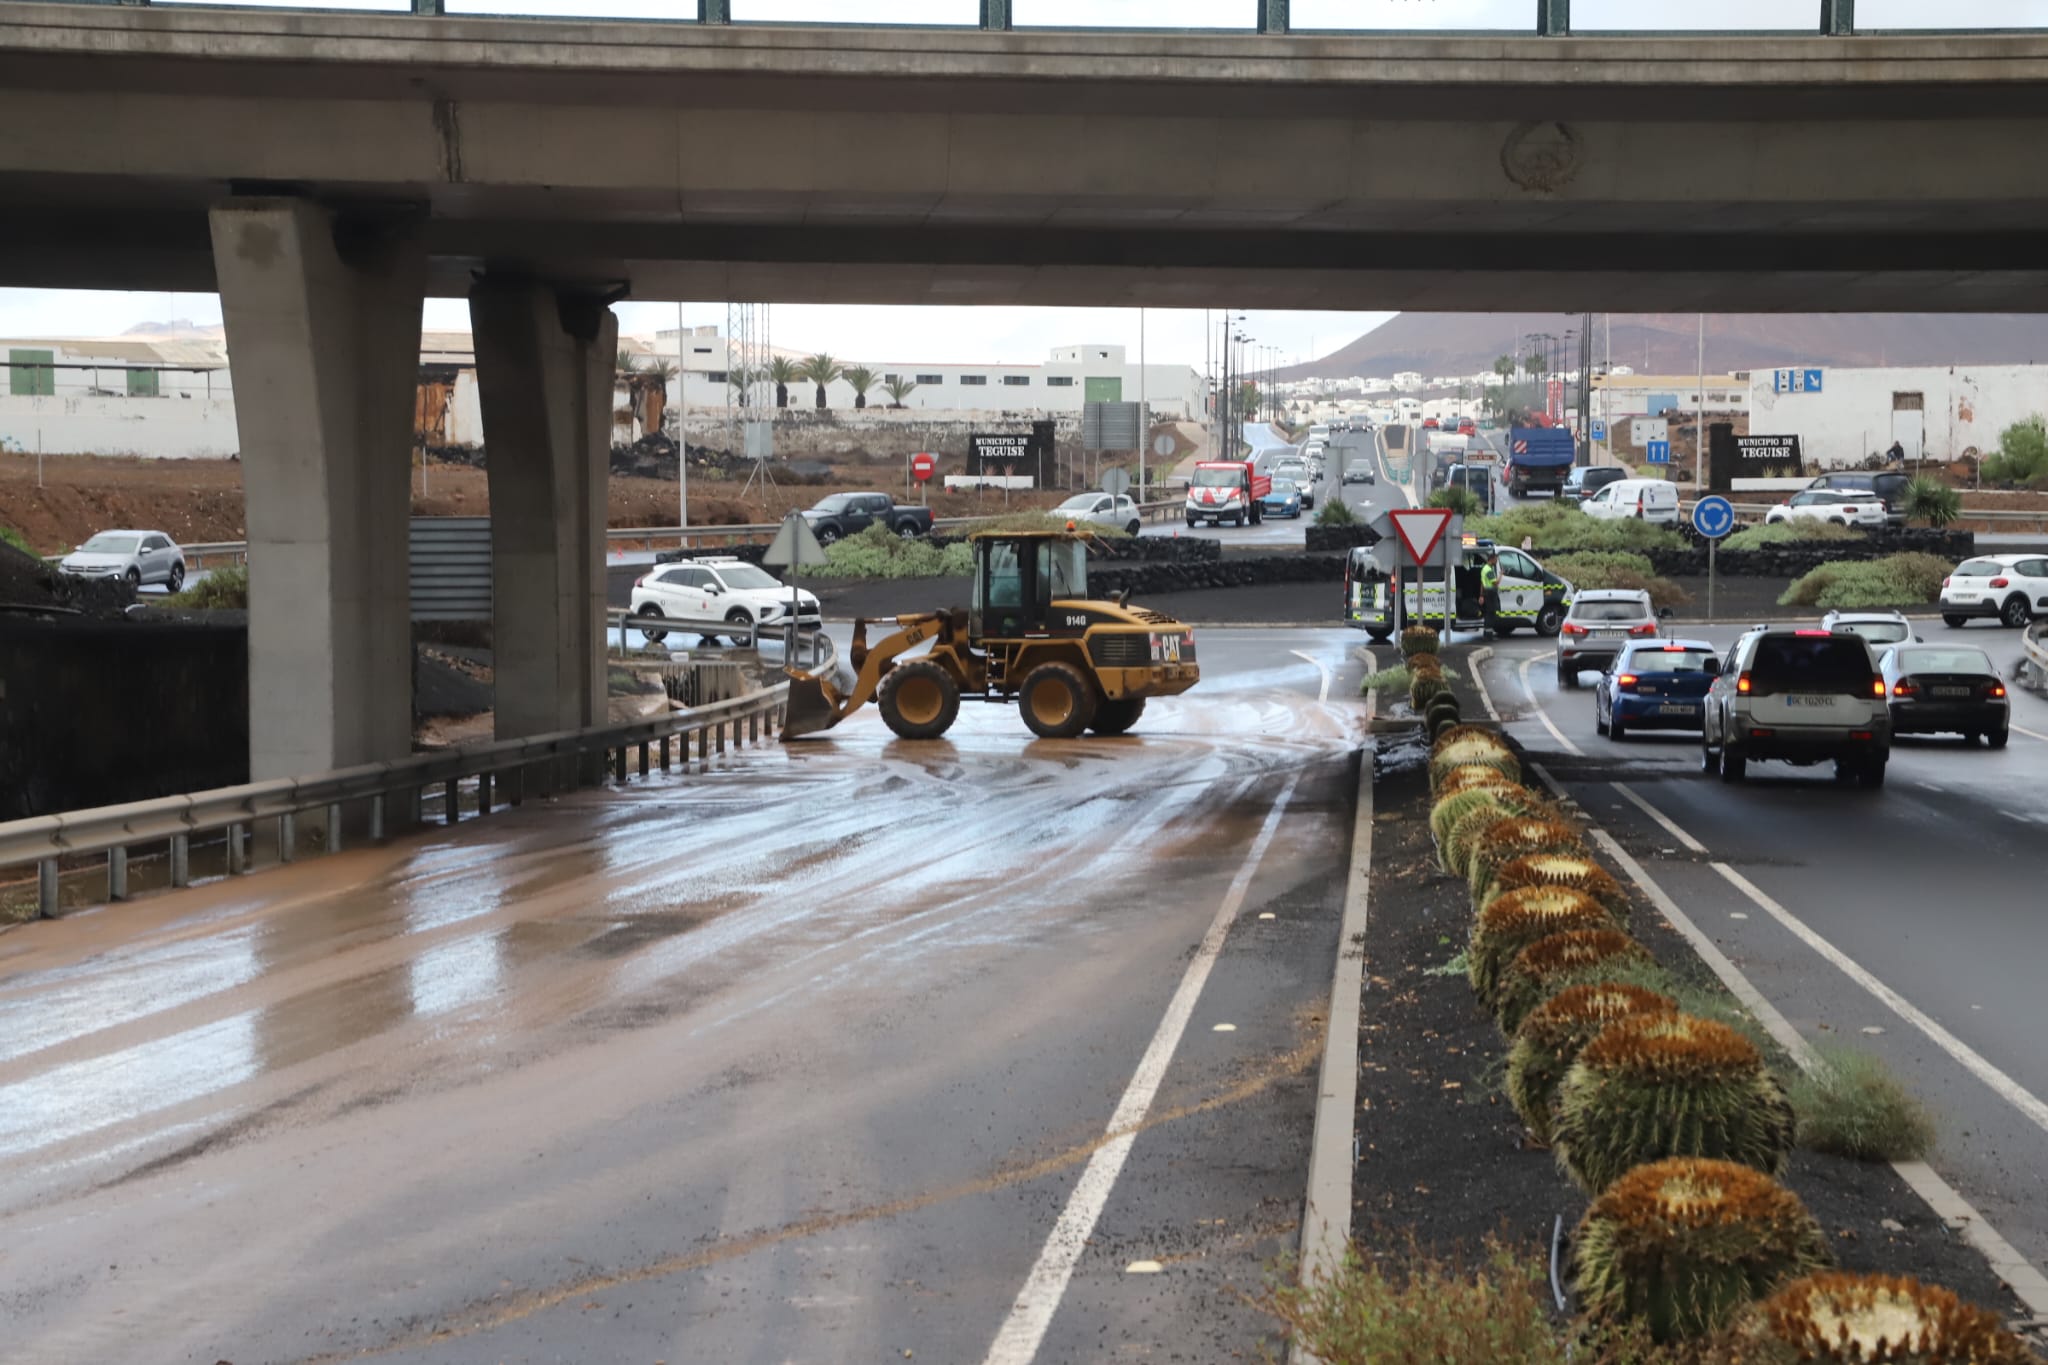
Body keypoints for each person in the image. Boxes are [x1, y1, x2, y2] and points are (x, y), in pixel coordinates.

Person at [1479, 551, 1502, 638]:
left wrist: (1481, 595)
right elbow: (1495, 583)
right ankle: (1489, 635)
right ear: (1491, 559)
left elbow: (1482, 582)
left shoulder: (1484, 568)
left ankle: (1487, 633)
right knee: (1491, 614)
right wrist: (1501, 575)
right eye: (1496, 559)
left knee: (1488, 614)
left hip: (1486, 593)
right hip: (1490, 593)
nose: (1496, 561)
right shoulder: (1489, 570)